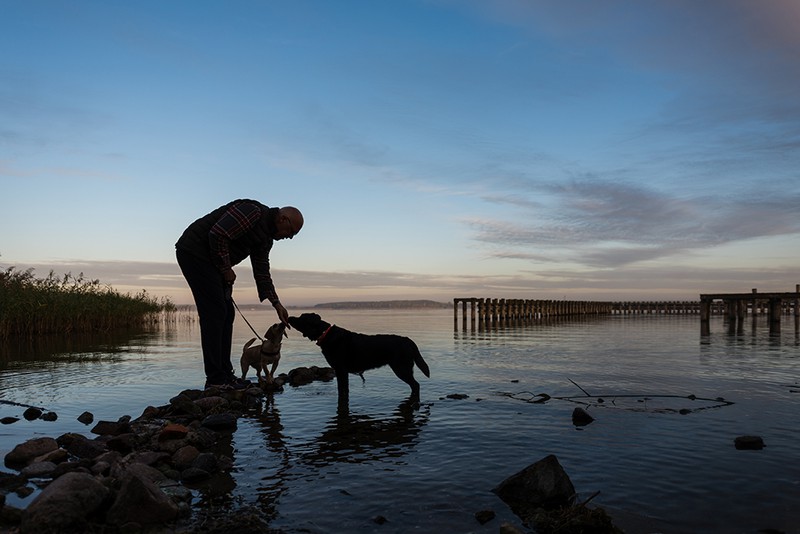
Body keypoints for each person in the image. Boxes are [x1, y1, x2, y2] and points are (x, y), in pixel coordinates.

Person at [176, 199, 303, 390]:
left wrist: (277, 303)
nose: (290, 238)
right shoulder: (253, 212)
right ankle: (216, 380)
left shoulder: (266, 238)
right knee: (215, 313)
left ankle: (226, 375)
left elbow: (261, 272)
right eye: (292, 232)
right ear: (283, 219)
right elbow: (217, 234)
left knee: (227, 313)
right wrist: (226, 268)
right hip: (194, 252)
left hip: (213, 262)